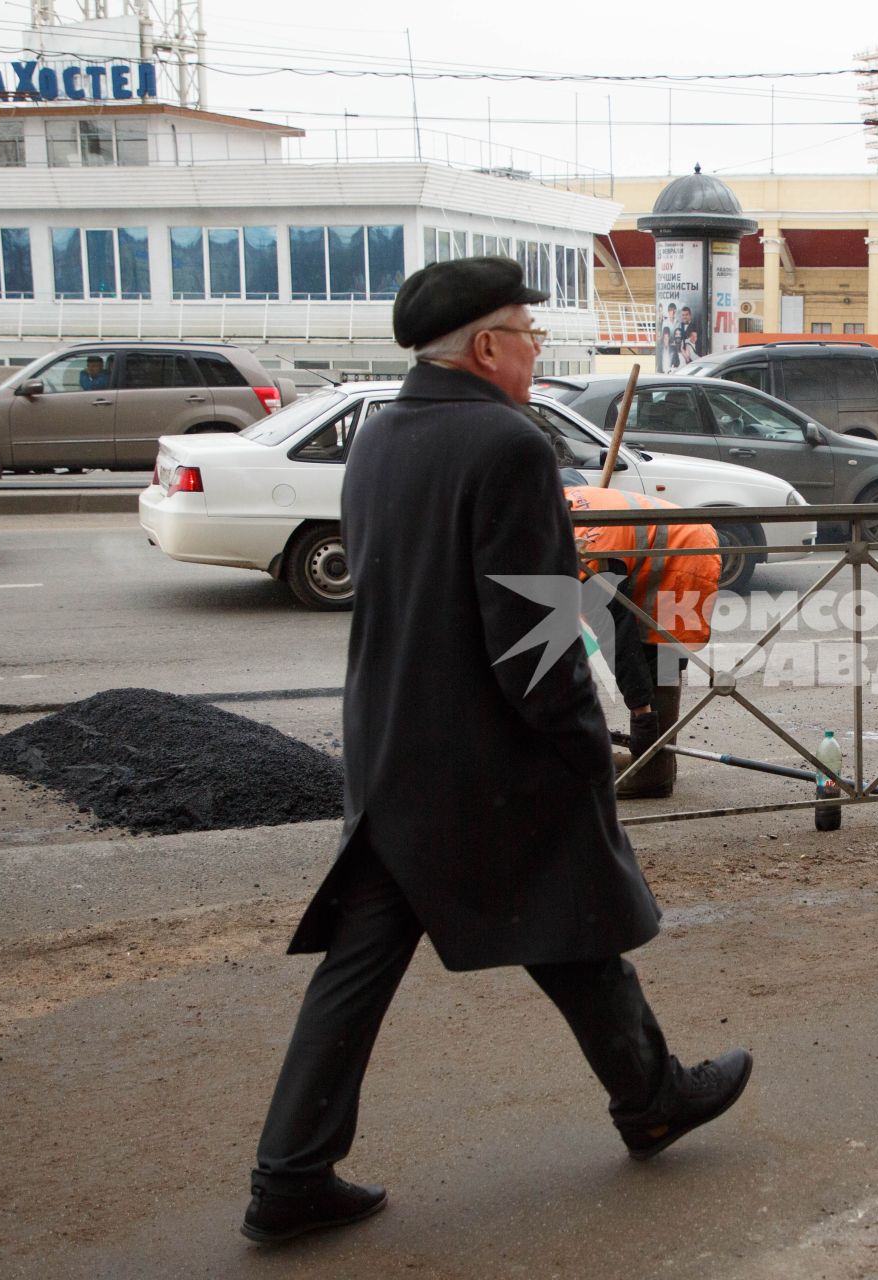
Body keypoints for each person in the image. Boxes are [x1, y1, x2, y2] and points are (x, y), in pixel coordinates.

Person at [239, 257, 752, 1245]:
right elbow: (532, 631)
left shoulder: (381, 434)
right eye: (524, 331)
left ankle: (290, 1172)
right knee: (574, 905)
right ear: (484, 348)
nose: (536, 346)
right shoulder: (505, 445)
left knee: (395, 954)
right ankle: (651, 1096)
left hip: (396, 747)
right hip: (490, 755)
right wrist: (580, 737)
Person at [564, 484, 720, 800]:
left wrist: (641, 711)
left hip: (683, 550)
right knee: (659, 652)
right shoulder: (559, 499)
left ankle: (652, 773)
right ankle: (658, 759)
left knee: (659, 652)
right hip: (677, 535)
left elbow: (615, 636)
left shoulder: (589, 554)